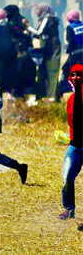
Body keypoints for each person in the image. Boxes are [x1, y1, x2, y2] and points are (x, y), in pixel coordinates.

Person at [60, 64, 82, 220]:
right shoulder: (71, 99)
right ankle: (69, 208)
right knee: (67, 174)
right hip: (75, 144)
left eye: (79, 75)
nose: (75, 78)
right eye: (73, 75)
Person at [27, 4, 61, 100]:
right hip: (47, 46)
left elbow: (39, 32)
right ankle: (44, 94)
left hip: (52, 47)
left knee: (52, 70)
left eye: (37, 9)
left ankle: (52, 95)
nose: (36, 11)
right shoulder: (46, 19)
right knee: (44, 69)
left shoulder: (47, 18)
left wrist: (28, 27)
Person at [57, 11, 83, 99]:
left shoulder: (70, 27)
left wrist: (67, 50)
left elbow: (71, 42)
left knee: (66, 70)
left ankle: (60, 92)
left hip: (75, 54)